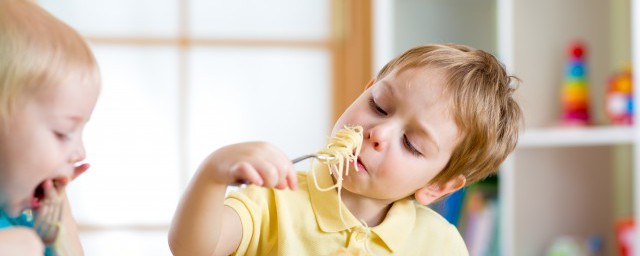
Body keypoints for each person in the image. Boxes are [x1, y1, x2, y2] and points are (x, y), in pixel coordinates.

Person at [168, 43, 522, 255]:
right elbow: (193, 248)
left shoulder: (439, 244)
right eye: (379, 106)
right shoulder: (273, 201)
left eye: (411, 144)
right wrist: (214, 172)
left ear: (438, 185)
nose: (378, 133)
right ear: (366, 89)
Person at [0, 0, 101, 255]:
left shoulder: (25, 221)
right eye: (62, 133)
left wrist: (58, 231)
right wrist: (28, 244)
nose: (80, 152)